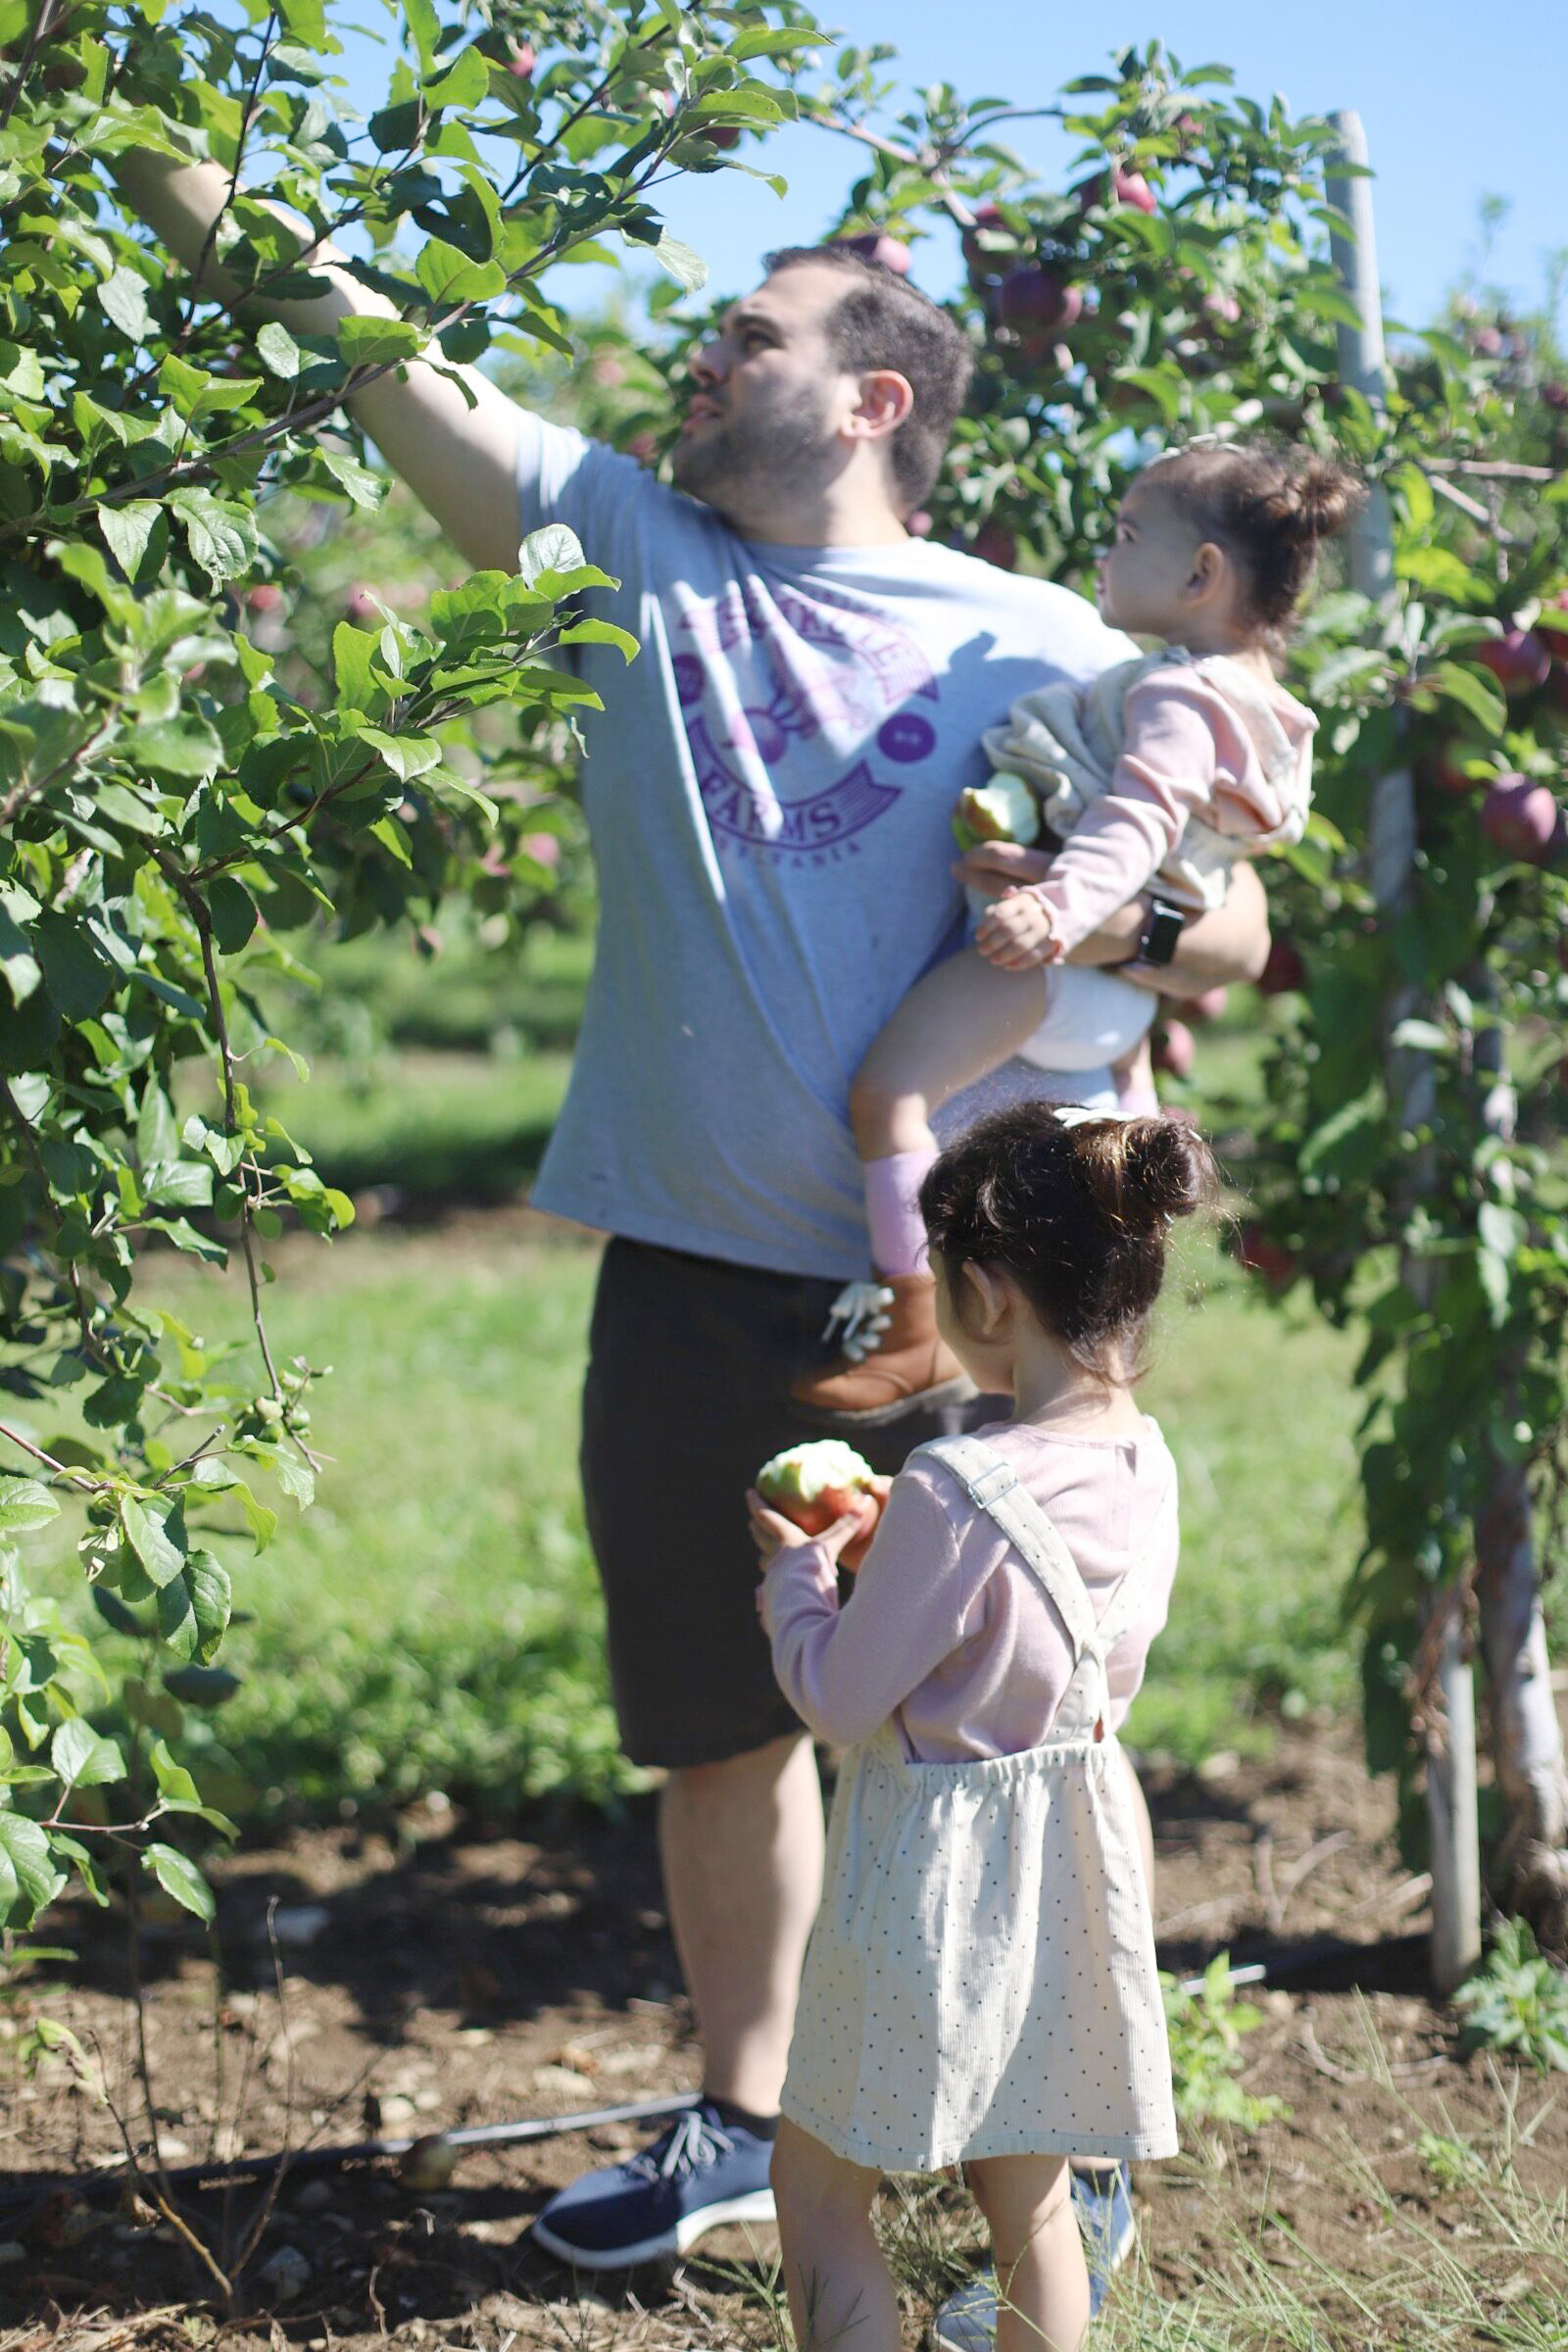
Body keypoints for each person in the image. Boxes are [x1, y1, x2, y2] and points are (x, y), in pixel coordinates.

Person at [116, 153, 1271, 2296]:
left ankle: (1050, 2143)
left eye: (749, 331)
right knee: (721, 1712)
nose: (700, 350)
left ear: (866, 402)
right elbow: (378, 353)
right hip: (700, 1267)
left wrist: (1122, 888)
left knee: (1006, 1730)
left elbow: (1239, 936)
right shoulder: (633, 555)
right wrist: (145, 143)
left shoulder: (1037, 641)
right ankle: (747, 2125)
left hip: (994, 1303)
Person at [749, 1102, 1216, 2352]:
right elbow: (1033, 1606)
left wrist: (798, 1580)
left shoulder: (961, 1488)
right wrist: (914, 1539)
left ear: (987, 1292)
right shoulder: (1145, 1462)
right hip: (1070, 1873)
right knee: (1036, 2205)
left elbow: (842, 1698)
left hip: (933, 1886)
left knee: (818, 2183)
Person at [794, 443, 1360, 1421]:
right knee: (1112, 1142)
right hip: (1119, 998)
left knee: (890, 1094)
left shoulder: (1179, 694)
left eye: (1129, 533)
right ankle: (1096, 1338)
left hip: (1052, 968)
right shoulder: (1266, 714)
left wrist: (1054, 908)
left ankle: (912, 1323)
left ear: (1201, 574)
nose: (1105, 551)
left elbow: (1135, 822)